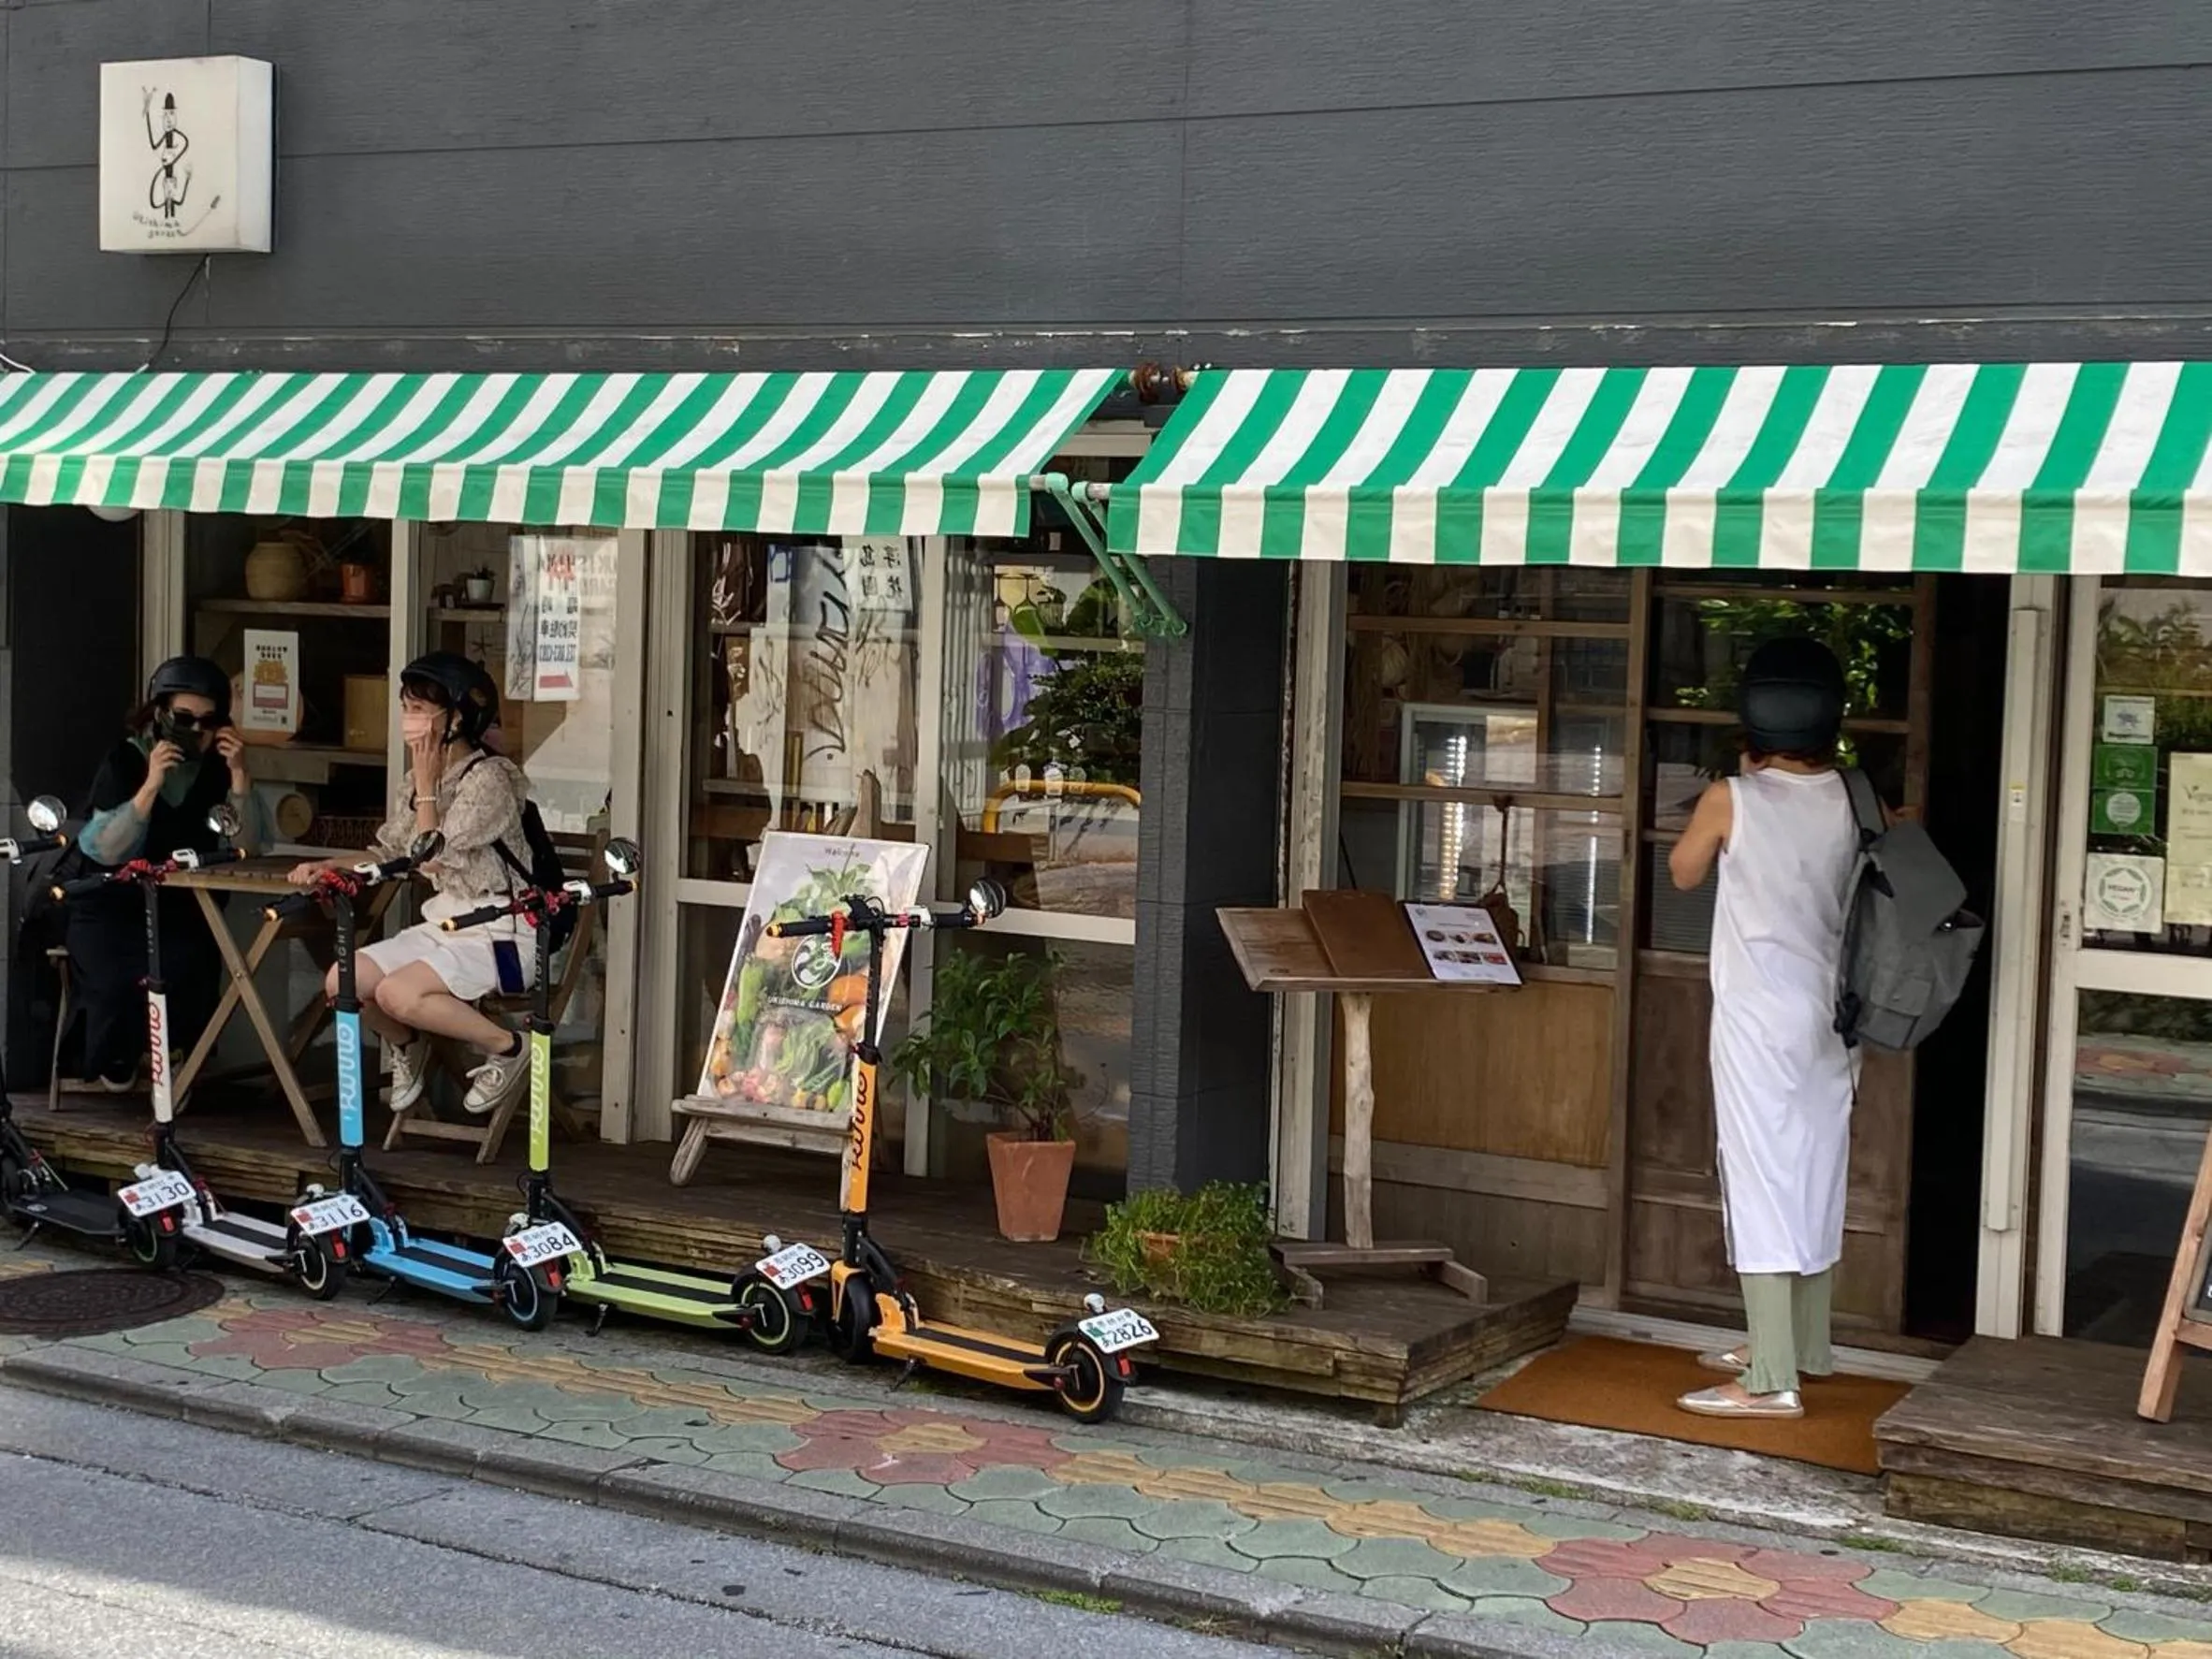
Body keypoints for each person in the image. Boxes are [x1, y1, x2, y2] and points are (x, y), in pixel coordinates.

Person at [1665, 637, 1864, 1421]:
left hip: (1757, 1017)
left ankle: (1771, 1377)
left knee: (1759, 1176)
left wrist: (1734, 790)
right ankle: (1804, 1343)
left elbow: (1683, 871)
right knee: (1815, 1169)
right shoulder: (1855, 794)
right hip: (1834, 1014)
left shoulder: (1731, 797)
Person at [288, 652, 533, 1118]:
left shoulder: (491, 779)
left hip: (500, 932)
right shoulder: (418, 780)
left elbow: (431, 856)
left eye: (419, 708)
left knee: (396, 993)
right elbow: (391, 854)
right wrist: (329, 865)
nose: (409, 719)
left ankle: (509, 1047)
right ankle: (408, 1043)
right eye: (406, 707)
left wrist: (426, 787)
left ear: (456, 717)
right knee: (343, 982)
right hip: (444, 924)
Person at [65, 656, 265, 1089]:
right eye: (184, 718)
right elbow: (104, 848)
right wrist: (151, 785)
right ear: (159, 713)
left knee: (190, 968)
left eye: (208, 721)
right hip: (113, 904)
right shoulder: (126, 759)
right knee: (118, 981)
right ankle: (115, 1055)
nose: (196, 730)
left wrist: (239, 777)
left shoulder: (217, 769)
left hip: (182, 907)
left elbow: (247, 846)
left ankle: (177, 1060)